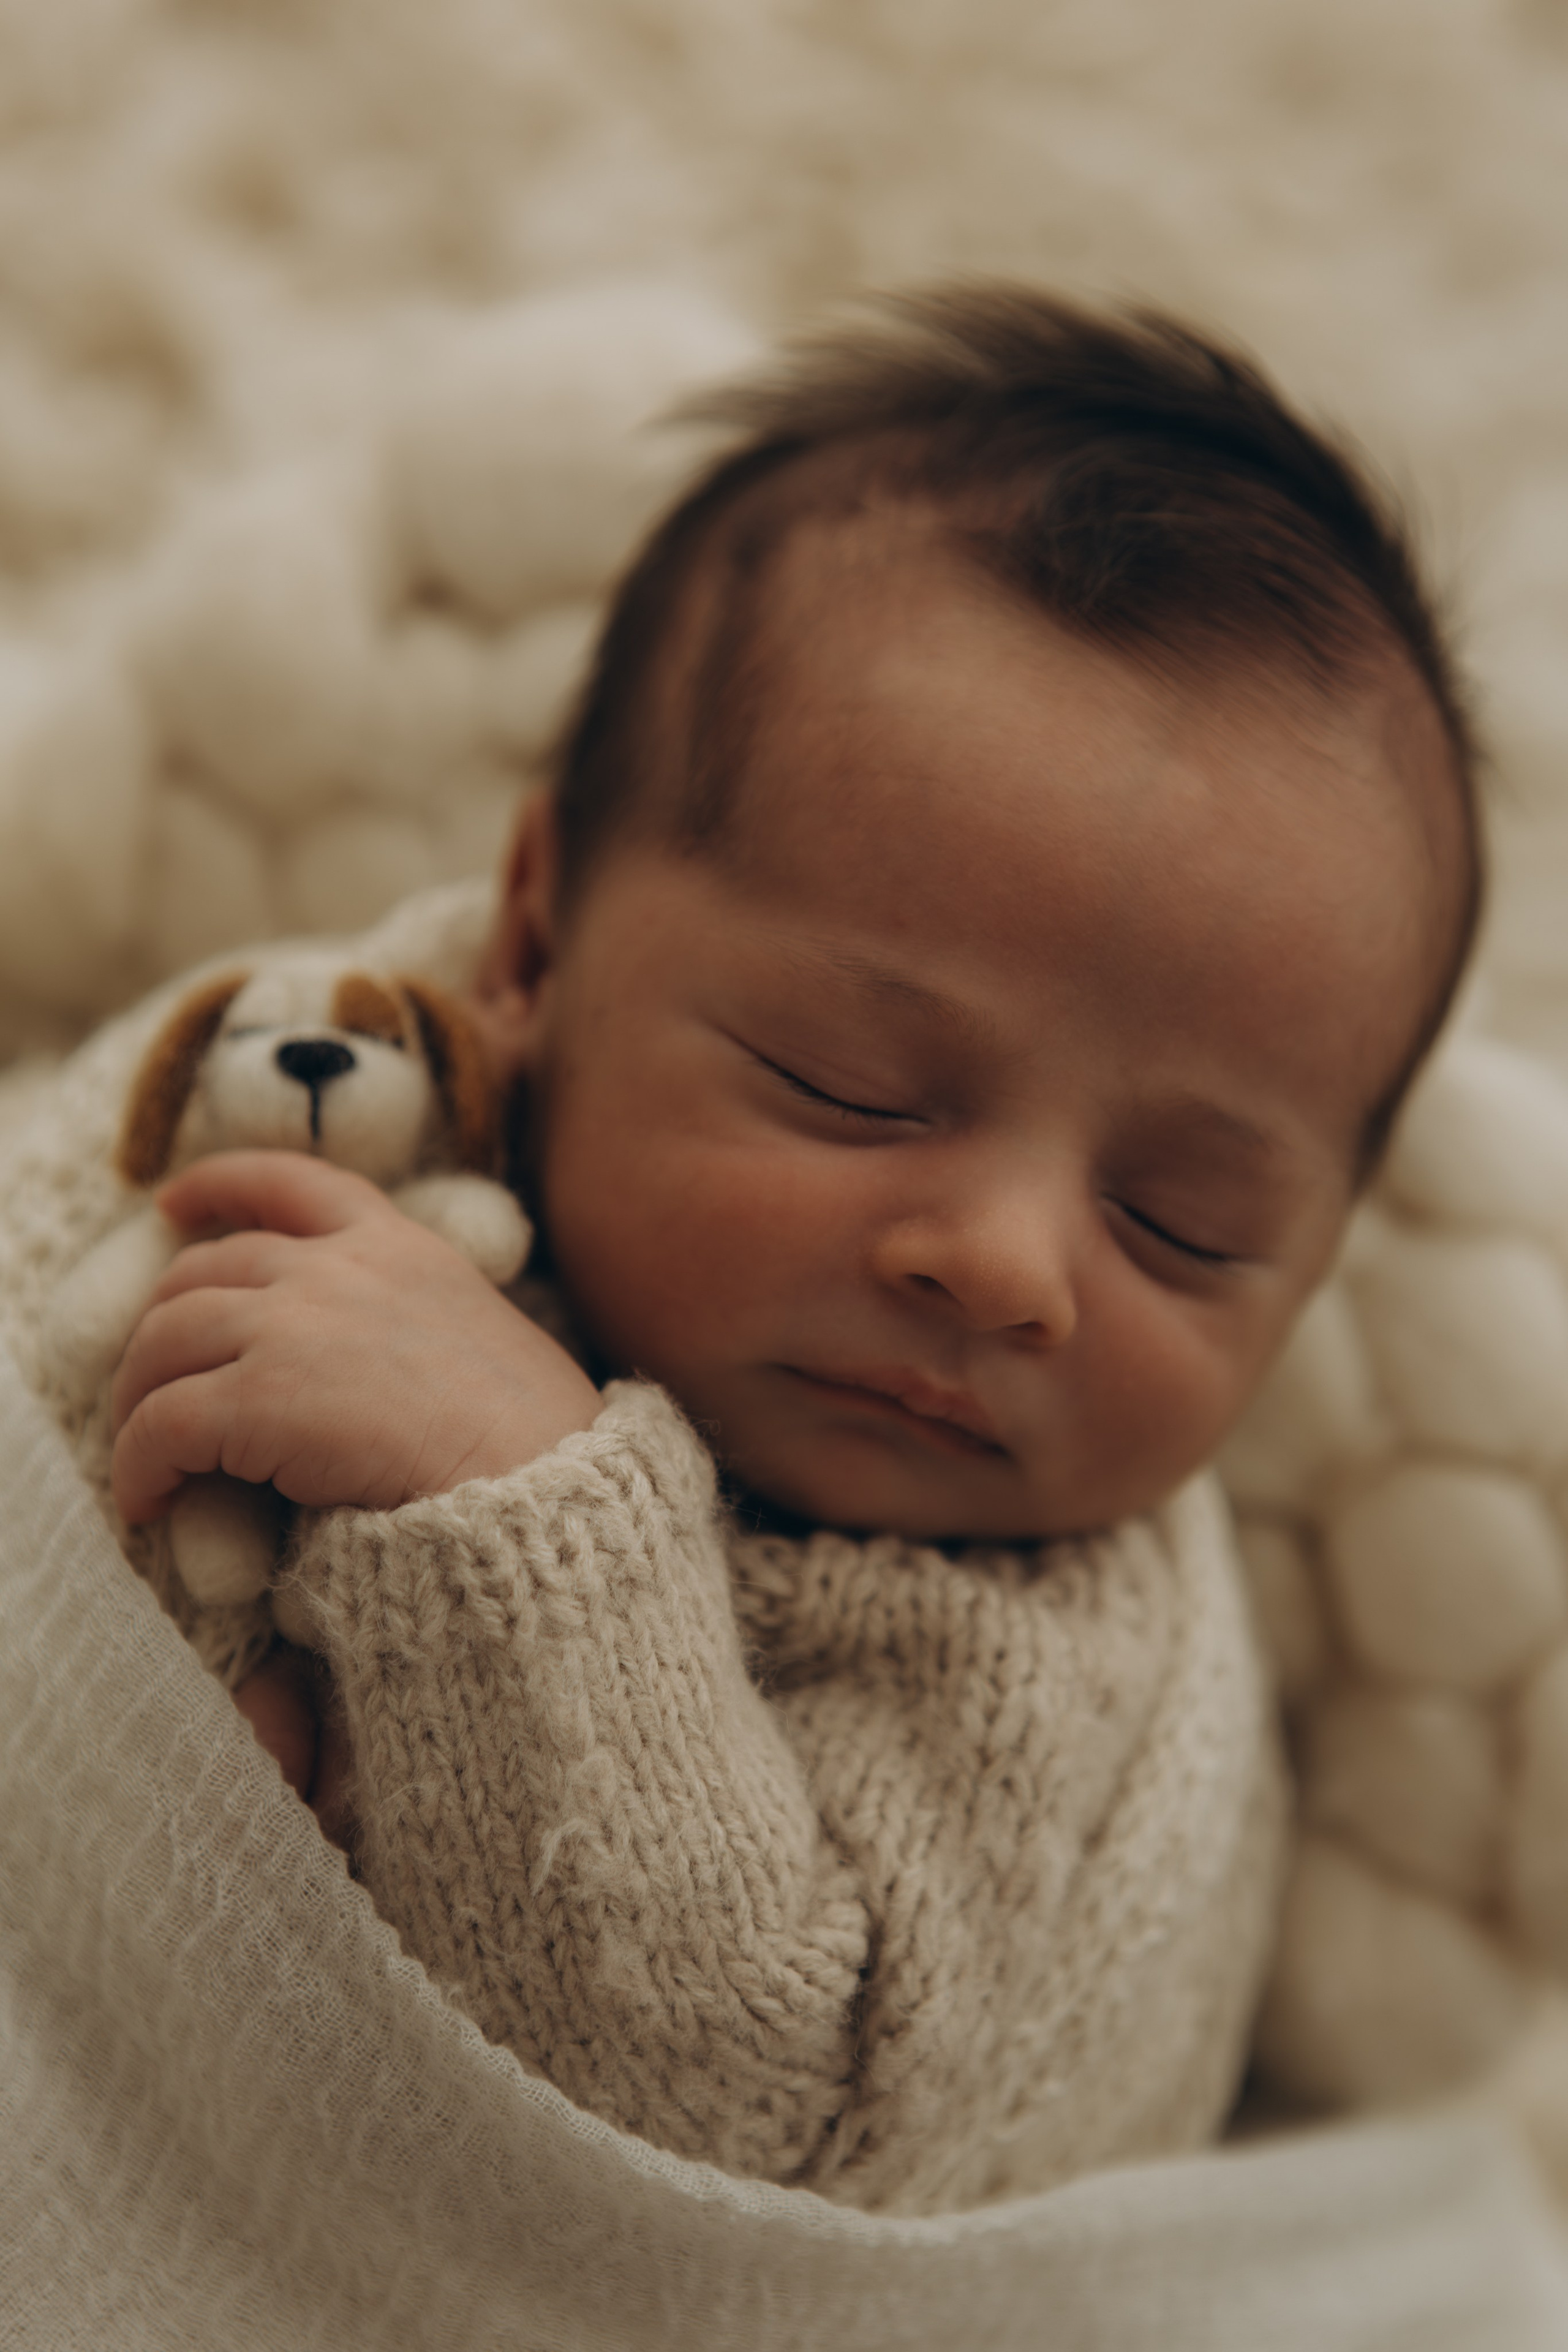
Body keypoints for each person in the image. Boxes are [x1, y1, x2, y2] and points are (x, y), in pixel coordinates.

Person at [9, 288, 1482, 2217]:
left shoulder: (1052, 1670)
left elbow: (743, 2155)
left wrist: (529, 1533)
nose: (1010, 1264)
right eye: (850, 1082)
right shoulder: (337, 1069)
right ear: (534, 946)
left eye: (1184, 1224)